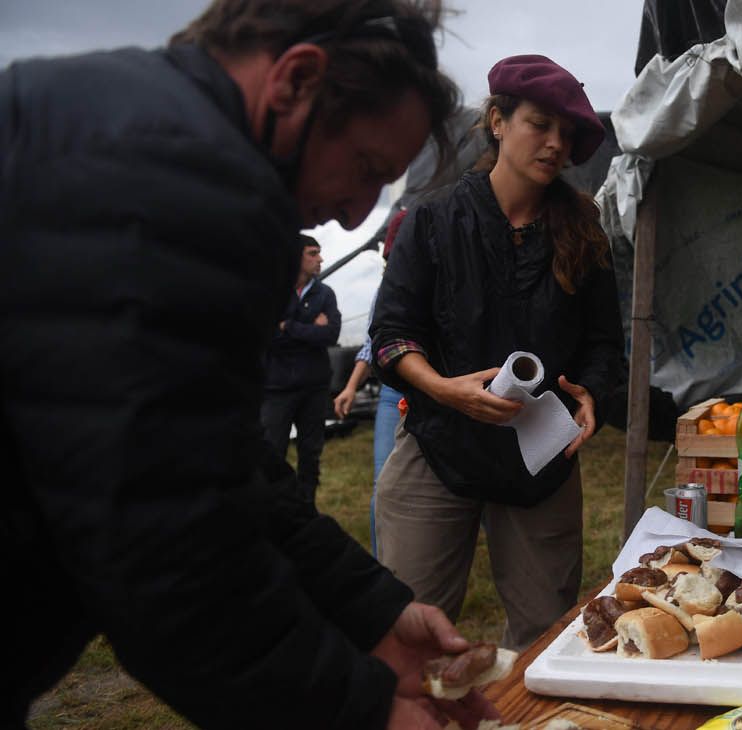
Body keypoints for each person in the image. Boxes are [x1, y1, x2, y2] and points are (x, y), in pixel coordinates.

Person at [0, 1, 499, 728]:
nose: (356, 217)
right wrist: (359, 712)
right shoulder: (185, 183)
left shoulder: (87, 119)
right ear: (295, 80)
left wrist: (369, 609)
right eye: (364, 169)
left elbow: (204, 455)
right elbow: (167, 549)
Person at [370, 55, 625, 652]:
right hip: (438, 444)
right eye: (540, 124)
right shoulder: (432, 219)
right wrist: (439, 387)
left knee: (547, 635)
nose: (555, 143)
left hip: (541, 457)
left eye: (567, 133)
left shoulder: (584, 230)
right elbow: (391, 333)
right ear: (498, 121)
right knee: (409, 629)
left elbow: (605, 345)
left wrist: (593, 394)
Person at [334, 208, 410, 554]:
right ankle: (385, 567)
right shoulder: (387, 288)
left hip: (443, 392)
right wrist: (350, 387)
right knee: (385, 485)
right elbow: (371, 345)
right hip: (393, 392)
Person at [263, 234, 341, 501]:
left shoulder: (324, 293)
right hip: (277, 387)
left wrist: (289, 327)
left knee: (311, 452)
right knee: (273, 451)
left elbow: (331, 335)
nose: (320, 259)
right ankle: (273, 507)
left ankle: (306, 507)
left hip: (314, 386)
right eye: (312, 253)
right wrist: (310, 330)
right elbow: (265, 335)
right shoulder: (271, 290)